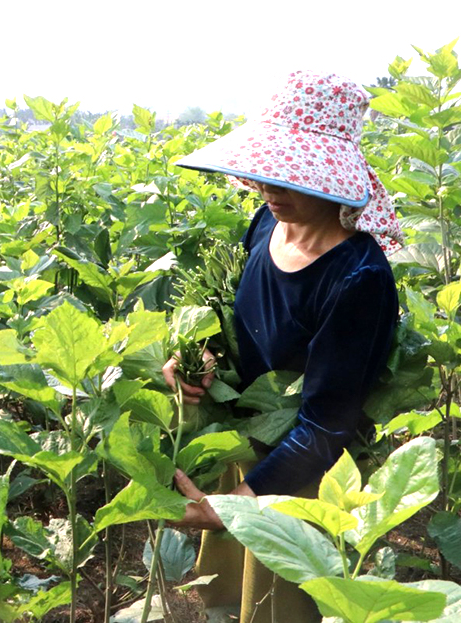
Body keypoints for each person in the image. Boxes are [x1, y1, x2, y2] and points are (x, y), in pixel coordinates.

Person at [162, 71, 402, 623]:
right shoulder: (264, 225)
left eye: (288, 176)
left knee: (280, 605)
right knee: (233, 601)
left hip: (299, 476)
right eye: (265, 172)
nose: (269, 189)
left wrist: (242, 505)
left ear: (331, 179)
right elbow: (242, 324)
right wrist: (202, 362)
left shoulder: (356, 278)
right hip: (248, 446)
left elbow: (326, 423)